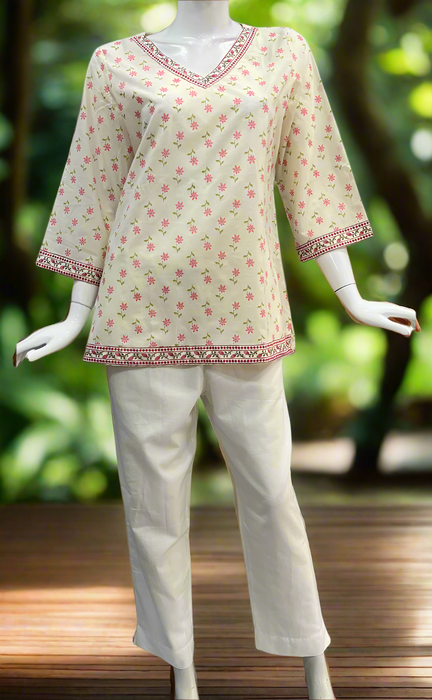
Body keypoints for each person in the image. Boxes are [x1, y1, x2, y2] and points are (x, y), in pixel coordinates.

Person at [14, 2, 420, 698]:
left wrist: (352, 295)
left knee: (272, 494)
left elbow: (309, 172)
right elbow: (94, 186)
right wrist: (77, 313)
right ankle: (183, 674)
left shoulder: (283, 54)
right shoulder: (115, 65)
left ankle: (313, 664)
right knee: (154, 507)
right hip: (140, 311)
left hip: (247, 309)